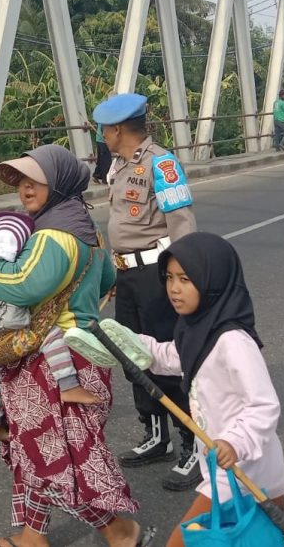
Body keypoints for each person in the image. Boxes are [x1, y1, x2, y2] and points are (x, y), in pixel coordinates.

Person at [0, 144, 150, 547]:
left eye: (36, 181)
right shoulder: (85, 226)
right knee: (38, 450)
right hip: (85, 351)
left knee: (55, 457)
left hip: (56, 360)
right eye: (22, 182)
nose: (26, 189)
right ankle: (33, 536)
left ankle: (119, 530)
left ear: (59, 183)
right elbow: (103, 282)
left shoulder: (53, 236)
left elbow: (22, 284)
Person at [87, 232, 284, 547]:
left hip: (237, 461)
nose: (173, 288)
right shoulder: (196, 327)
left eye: (185, 279)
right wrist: (135, 346)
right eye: (169, 277)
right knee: (271, 530)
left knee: (181, 541)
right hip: (229, 457)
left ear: (212, 281)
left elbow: (263, 405)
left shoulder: (233, 342)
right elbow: (175, 358)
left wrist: (235, 442)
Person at [92, 93, 200, 492]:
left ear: (118, 129)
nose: (103, 136)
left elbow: (182, 223)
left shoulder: (162, 163)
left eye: (105, 129)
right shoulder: (119, 166)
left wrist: (183, 279)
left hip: (157, 274)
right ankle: (156, 435)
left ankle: (192, 444)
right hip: (128, 277)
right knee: (133, 356)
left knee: (168, 361)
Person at [0, 211, 101, 430]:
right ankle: (68, 384)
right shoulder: (13, 276)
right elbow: (23, 304)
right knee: (51, 334)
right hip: (10, 339)